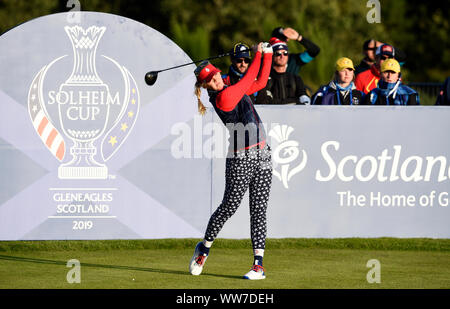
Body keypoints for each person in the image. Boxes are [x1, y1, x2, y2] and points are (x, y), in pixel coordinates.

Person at [190, 42, 273, 280]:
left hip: (263, 152)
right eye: (211, 81)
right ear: (206, 86)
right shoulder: (223, 97)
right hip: (240, 157)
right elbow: (248, 81)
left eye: (216, 76)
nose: (216, 80)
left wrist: (266, 56)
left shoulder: (230, 85)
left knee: (259, 210)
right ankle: (204, 248)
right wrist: (258, 53)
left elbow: (260, 83)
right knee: (229, 207)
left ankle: (258, 265)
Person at [255, 37, 310, 105]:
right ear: (272, 56)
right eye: (278, 54)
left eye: (285, 53)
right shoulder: (265, 78)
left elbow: (305, 99)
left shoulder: (295, 79)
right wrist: (293, 102)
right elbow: (265, 101)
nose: (282, 56)